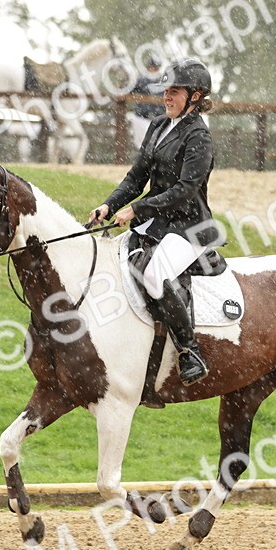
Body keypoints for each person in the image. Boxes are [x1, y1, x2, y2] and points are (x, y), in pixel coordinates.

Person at [88, 57, 218, 386]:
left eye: (174, 92)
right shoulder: (159, 126)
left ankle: (190, 351)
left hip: (189, 227)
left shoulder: (199, 137)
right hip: (157, 223)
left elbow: (185, 191)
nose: (166, 97)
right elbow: (136, 178)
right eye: (166, 91)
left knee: (155, 274)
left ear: (196, 96)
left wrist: (138, 210)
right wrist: (109, 204)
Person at [129, 56, 167, 148]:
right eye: (151, 66)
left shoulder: (164, 81)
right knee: (141, 145)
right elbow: (130, 92)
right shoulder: (141, 80)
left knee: (158, 145)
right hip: (141, 117)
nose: (153, 69)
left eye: (155, 67)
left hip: (158, 118)